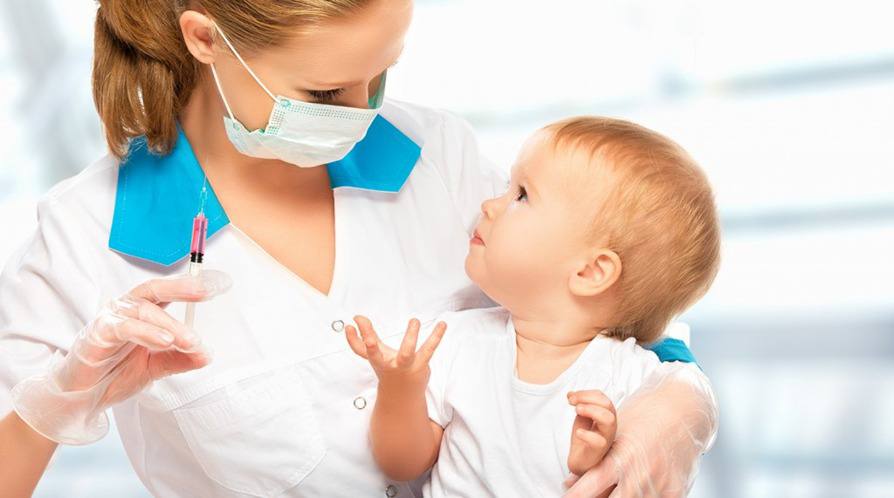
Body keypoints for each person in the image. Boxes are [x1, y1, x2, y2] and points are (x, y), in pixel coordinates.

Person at [0, 1, 718, 497]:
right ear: (205, 39)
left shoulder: (438, 155)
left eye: (380, 73)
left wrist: (679, 411)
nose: (361, 112)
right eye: (325, 91)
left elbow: (604, 303)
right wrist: (55, 401)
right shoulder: (85, 233)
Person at [345, 116, 721, 497]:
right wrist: (401, 390)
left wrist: (597, 467)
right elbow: (401, 463)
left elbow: (643, 478)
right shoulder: (458, 342)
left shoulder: (631, 382)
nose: (489, 205)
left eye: (521, 195)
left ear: (590, 272)